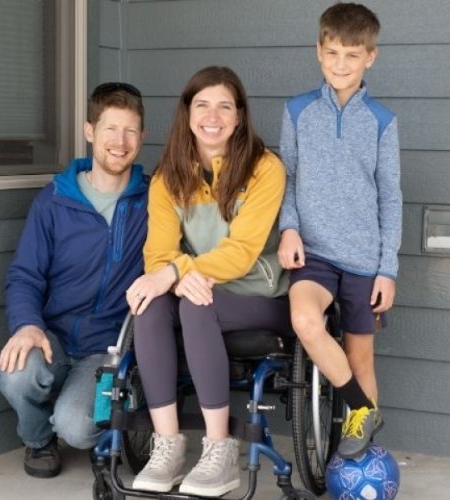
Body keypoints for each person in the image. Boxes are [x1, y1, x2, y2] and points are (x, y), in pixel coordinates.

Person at [125, 66, 290, 497]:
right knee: (150, 305)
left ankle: (219, 452)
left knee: (195, 303)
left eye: (224, 106)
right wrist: (175, 277)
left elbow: (241, 251)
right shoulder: (167, 179)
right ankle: (168, 447)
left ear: (239, 116)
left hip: (259, 291)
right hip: (195, 289)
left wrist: (177, 273)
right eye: (202, 104)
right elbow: (158, 254)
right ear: (187, 113)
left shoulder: (264, 168)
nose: (212, 116)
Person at [0, 82, 149, 478]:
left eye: (130, 130)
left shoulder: (152, 202)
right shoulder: (54, 200)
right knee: (18, 371)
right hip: (54, 337)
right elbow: (25, 274)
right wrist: (28, 325)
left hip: (108, 348)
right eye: (110, 128)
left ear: (142, 137)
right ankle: (37, 439)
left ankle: (71, 416)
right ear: (89, 131)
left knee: (77, 428)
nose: (120, 141)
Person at [277, 2, 402, 459]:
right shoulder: (297, 111)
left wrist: (386, 269)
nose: (340, 65)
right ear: (319, 51)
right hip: (314, 255)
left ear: (371, 56)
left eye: (352, 55)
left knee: (360, 359)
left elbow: (390, 197)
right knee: (305, 321)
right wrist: (288, 229)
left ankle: (362, 462)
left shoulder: (383, 122)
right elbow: (285, 179)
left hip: (365, 260)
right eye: (332, 53)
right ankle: (361, 408)